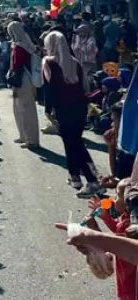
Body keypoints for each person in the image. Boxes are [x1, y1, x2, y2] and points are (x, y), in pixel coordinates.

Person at [44, 31, 102, 198]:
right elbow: (82, 86)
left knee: (74, 144)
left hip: (63, 108)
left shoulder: (49, 63)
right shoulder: (74, 62)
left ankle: (92, 181)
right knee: (72, 141)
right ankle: (74, 176)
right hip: (79, 106)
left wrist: (49, 111)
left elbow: (49, 90)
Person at [7, 21, 41, 149]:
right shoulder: (25, 44)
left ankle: (31, 139)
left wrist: (14, 83)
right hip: (25, 78)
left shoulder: (20, 47)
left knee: (25, 109)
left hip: (22, 79)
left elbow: (17, 67)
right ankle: (24, 135)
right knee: (20, 108)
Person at [73, 24, 99, 92]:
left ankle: (91, 92)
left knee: (89, 78)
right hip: (80, 61)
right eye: (79, 32)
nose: (80, 34)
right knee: (82, 78)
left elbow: (89, 50)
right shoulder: (78, 39)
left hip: (89, 62)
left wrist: (81, 46)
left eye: (82, 32)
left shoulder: (91, 39)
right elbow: (75, 49)